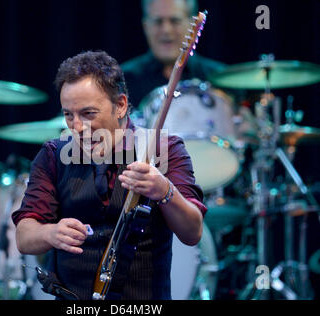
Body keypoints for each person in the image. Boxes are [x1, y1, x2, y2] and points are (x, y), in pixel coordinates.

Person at [12, 51, 207, 300]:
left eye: (88, 113)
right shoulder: (53, 154)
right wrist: (50, 233)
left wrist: (165, 190)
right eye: (68, 115)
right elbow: (25, 236)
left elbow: (192, 233)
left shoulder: (164, 149)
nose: (78, 127)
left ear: (121, 105)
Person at [122, 0, 227, 109]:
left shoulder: (222, 79)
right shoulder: (122, 81)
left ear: (193, 24)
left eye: (175, 21)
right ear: (145, 26)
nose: (166, 30)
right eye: (158, 21)